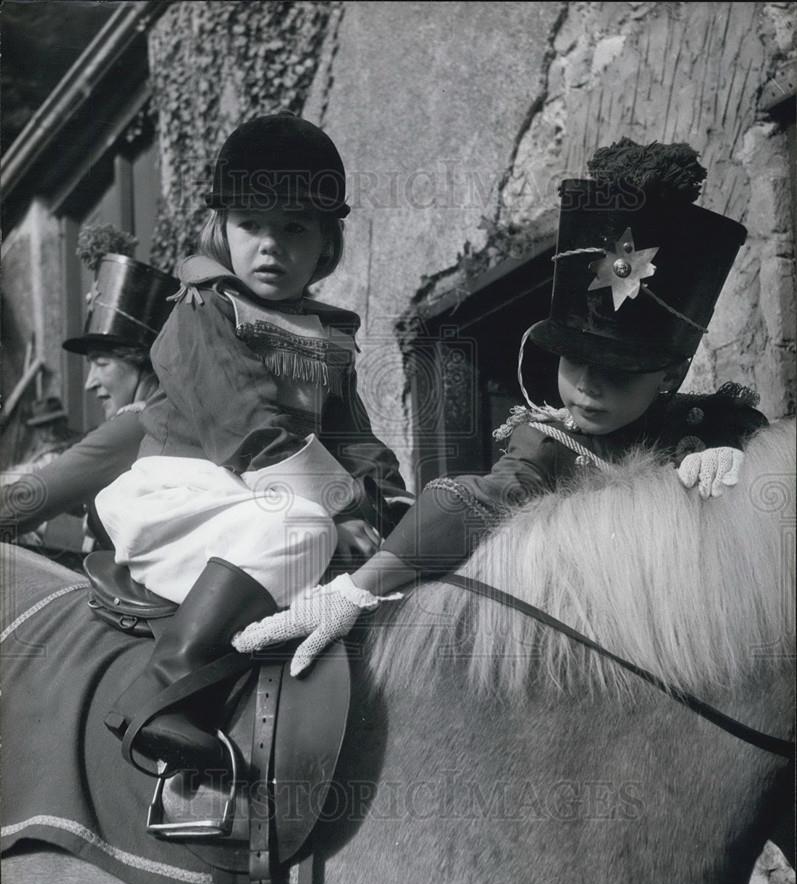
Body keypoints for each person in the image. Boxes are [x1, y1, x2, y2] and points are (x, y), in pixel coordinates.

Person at [233, 138, 767, 678]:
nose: (587, 388)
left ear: (670, 376)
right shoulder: (548, 444)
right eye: (573, 360)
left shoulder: (712, 424)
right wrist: (353, 591)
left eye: (619, 372)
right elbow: (467, 503)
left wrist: (742, 464)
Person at [94, 113, 410, 775]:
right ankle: (165, 686)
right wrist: (343, 513)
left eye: (294, 227)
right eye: (252, 225)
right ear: (223, 231)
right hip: (189, 493)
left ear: (326, 242)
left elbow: (352, 438)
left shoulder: (321, 334)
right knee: (302, 525)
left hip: (261, 500)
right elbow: (252, 436)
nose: (270, 246)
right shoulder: (203, 312)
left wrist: (389, 505)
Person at [0, 255, 178, 545]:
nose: (89, 382)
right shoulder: (168, 414)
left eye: (102, 364)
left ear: (142, 363)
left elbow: (25, 501)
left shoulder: (138, 423)